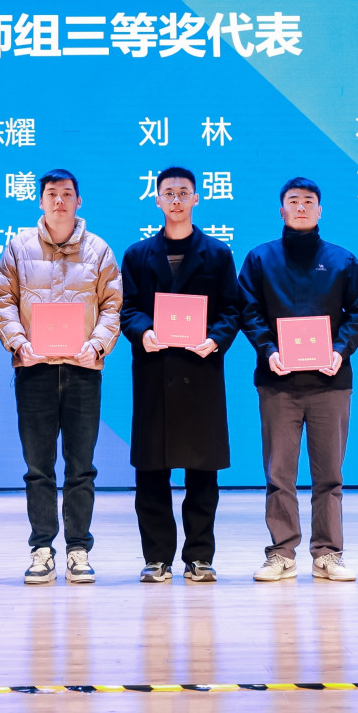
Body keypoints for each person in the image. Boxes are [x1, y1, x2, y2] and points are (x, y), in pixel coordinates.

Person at [239, 177, 358, 583]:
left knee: (329, 475)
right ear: (281, 210)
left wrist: (339, 350)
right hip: (278, 382)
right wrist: (269, 350)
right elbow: (248, 311)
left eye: (308, 201)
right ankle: (281, 553)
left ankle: (328, 553)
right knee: (279, 474)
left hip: (330, 382)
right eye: (293, 201)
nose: (301, 207)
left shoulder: (342, 260)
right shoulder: (260, 259)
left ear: (320, 210)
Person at [0, 168, 122, 585]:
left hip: (83, 371)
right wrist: (19, 344)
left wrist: (97, 346)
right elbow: (4, 301)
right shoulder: (18, 247)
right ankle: (42, 549)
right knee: (38, 467)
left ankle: (79, 549)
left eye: (67, 193)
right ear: (41, 200)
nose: (59, 201)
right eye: (52, 193)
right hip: (35, 372)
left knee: (81, 467)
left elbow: (112, 306)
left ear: (78, 201)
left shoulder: (99, 250)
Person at [119, 167, 243, 583]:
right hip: (154, 372)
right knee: (151, 474)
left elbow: (232, 309)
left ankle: (200, 557)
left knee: (202, 474)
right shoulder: (138, 254)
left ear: (196, 198)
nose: (176, 199)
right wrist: (143, 332)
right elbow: (127, 308)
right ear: (157, 200)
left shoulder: (218, 254)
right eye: (168, 193)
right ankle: (157, 558)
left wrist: (215, 339)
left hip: (200, 372)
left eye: (183, 192)